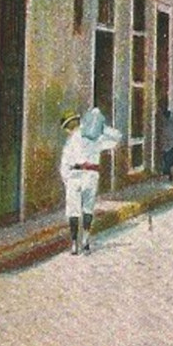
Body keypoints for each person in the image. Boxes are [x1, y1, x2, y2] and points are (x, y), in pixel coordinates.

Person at [59, 107, 122, 255]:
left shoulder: (70, 142)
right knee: (87, 209)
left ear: (68, 126)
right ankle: (85, 240)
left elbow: (64, 164)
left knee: (73, 211)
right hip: (91, 175)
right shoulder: (95, 138)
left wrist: (67, 180)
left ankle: (75, 244)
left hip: (74, 176)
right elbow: (117, 137)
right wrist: (102, 127)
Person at [159, 105, 173, 180]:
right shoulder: (170, 119)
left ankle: (168, 173)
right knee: (167, 158)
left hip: (169, 140)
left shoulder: (169, 119)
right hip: (168, 140)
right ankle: (167, 173)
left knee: (168, 158)